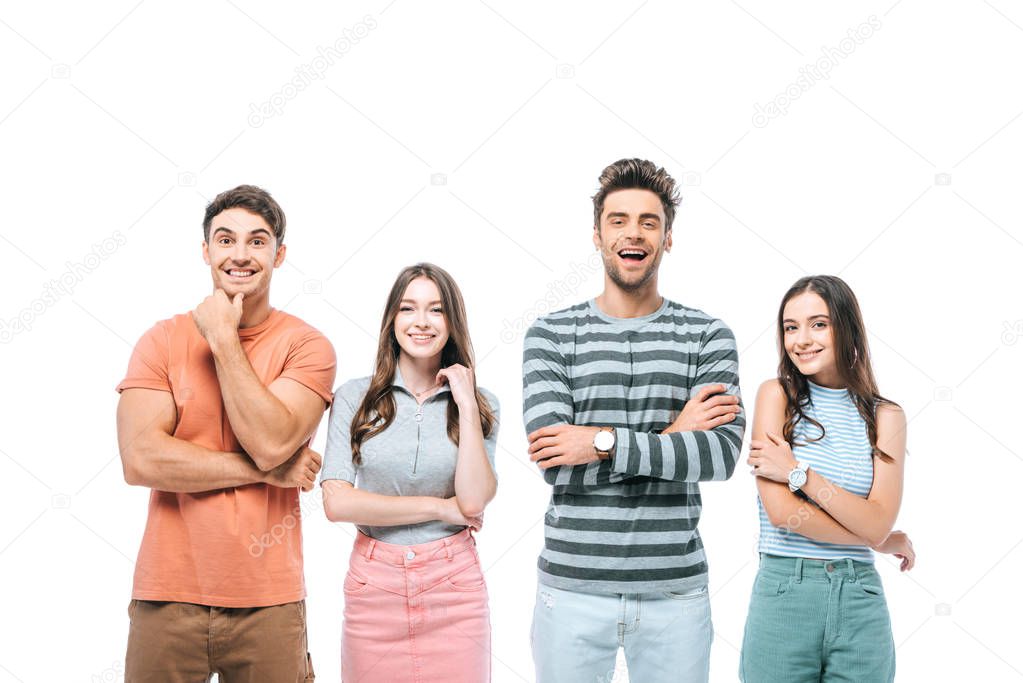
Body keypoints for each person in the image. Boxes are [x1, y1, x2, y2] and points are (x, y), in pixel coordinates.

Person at [522, 158, 745, 682]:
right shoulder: (550, 335)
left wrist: (595, 441)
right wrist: (674, 434)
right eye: (618, 219)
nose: (633, 232)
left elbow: (719, 457)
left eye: (649, 221)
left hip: (675, 593)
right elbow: (556, 463)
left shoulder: (707, 335)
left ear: (668, 238)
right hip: (572, 591)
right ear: (597, 234)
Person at [116, 185, 335, 682]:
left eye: (257, 242)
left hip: (269, 601)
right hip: (166, 595)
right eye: (225, 239)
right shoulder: (161, 339)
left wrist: (222, 339)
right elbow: (141, 460)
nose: (240, 254)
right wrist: (268, 473)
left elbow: (271, 441)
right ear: (205, 251)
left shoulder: (307, 345)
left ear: (279, 255)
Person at [320, 262, 499, 682]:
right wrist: (439, 508)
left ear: (452, 322)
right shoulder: (354, 397)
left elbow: (472, 501)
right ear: (392, 321)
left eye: (436, 310)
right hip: (373, 587)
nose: (421, 322)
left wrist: (467, 404)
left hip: (454, 588)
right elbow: (337, 502)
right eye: (408, 309)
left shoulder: (481, 403)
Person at [742, 274, 916, 682]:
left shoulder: (885, 416)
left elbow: (878, 519)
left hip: (860, 600)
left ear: (846, 327)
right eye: (790, 327)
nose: (801, 339)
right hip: (786, 592)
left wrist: (798, 473)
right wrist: (880, 539)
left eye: (818, 324)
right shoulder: (777, 396)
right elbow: (784, 514)